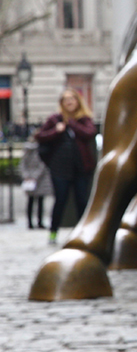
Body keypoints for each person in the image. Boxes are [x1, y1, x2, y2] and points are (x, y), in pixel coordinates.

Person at [35, 88, 99, 245]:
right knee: (60, 199)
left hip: (80, 167)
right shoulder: (55, 119)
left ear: (78, 101)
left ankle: (83, 232)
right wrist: (56, 131)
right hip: (60, 168)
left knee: (82, 200)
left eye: (72, 98)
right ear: (61, 103)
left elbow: (90, 133)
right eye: (66, 99)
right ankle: (53, 232)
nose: (69, 102)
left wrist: (72, 123)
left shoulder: (84, 119)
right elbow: (40, 136)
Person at [19, 140, 52, 229]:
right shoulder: (40, 150)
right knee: (36, 201)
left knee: (33, 201)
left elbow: (22, 165)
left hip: (36, 180)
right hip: (35, 179)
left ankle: (33, 222)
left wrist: (28, 176)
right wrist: (32, 177)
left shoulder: (27, 151)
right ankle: (37, 222)